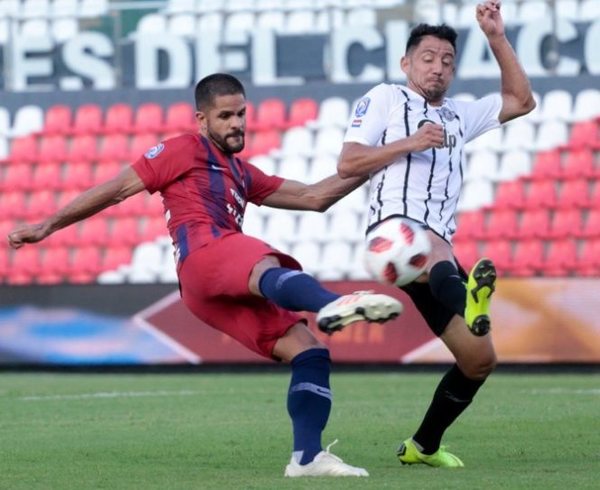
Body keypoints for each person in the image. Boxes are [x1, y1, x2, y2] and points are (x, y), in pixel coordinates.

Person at [7, 73, 403, 477]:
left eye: (242, 114)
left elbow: (315, 197)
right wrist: (48, 226)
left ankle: (306, 458)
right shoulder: (181, 150)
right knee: (261, 260)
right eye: (226, 115)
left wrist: (383, 157)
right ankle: (332, 303)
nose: (237, 123)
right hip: (204, 254)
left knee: (309, 352)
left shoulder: (243, 173)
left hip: (205, 294)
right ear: (202, 120)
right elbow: (117, 189)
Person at [337, 1, 535, 468]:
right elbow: (348, 163)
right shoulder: (385, 98)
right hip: (392, 235)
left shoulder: (460, 117)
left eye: (447, 60)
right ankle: (471, 300)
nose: (438, 67)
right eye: (427, 57)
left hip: (433, 258)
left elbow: (522, 101)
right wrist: (411, 141)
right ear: (406, 63)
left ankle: (422, 446)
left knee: (479, 360)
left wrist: (495, 38)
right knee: (434, 246)